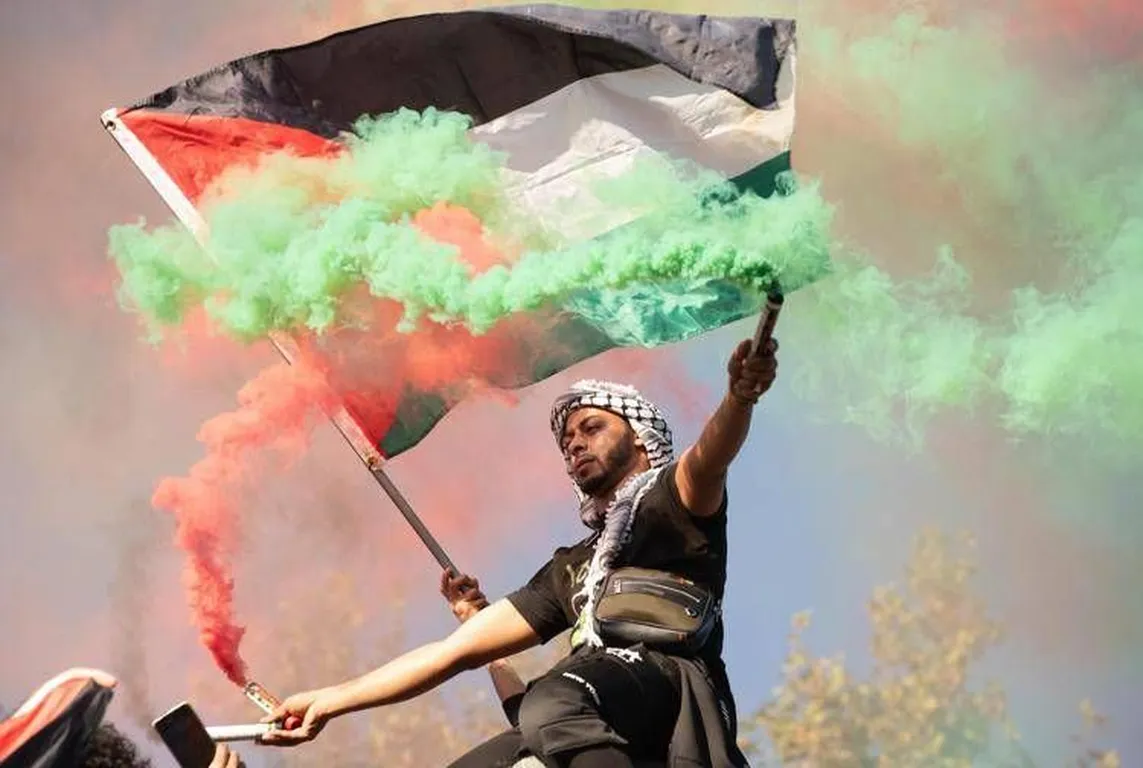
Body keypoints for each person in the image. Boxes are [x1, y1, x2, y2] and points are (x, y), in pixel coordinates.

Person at [260, 336, 778, 767]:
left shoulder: (672, 503)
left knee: (555, 698)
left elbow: (710, 457)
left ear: (642, 440)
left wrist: (739, 397)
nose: (574, 444)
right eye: (567, 441)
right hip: (594, 710)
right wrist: (331, 701)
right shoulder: (569, 569)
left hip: (666, 686)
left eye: (592, 428)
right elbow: (450, 654)